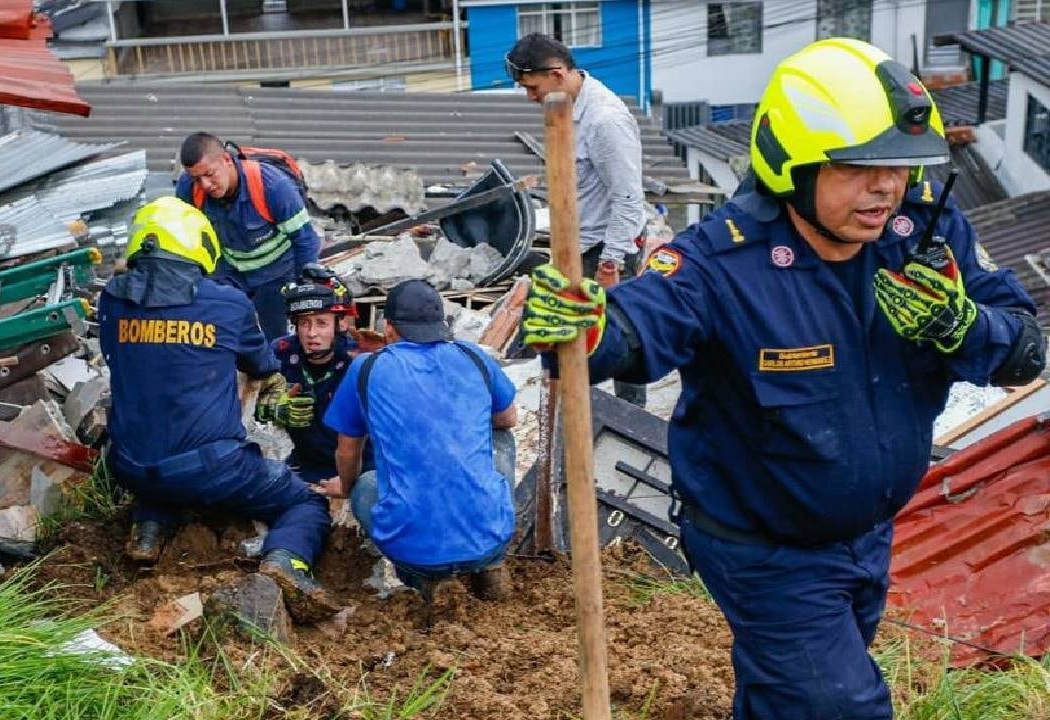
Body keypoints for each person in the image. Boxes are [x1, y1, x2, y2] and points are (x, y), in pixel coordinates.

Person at [520, 39, 1044, 719]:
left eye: (898, 167)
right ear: (793, 168)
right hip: (763, 547)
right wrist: (588, 329)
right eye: (858, 168)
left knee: (788, 698)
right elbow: (640, 328)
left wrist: (962, 326)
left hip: (869, 534)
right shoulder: (724, 261)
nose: (884, 188)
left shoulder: (923, 234)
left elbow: (1024, 350)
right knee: (841, 707)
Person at [98, 196, 338, 622]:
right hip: (212, 470)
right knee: (304, 504)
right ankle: (287, 561)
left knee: (160, 453)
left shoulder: (112, 303)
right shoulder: (227, 304)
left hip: (129, 465)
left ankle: (150, 527)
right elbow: (263, 365)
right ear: (198, 245)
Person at [315, 279, 520, 601]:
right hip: (490, 537)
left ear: (390, 328)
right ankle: (491, 563)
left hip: (414, 551)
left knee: (365, 485)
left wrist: (345, 484)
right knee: (501, 439)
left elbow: (347, 450)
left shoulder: (366, 368)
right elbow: (508, 419)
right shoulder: (473, 357)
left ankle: (426, 584)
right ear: (442, 324)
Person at [506, 32, 649, 406]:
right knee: (572, 338)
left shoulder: (604, 121)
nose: (530, 97)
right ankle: (576, 416)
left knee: (621, 341)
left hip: (605, 249)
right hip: (579, 245)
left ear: (556, 74)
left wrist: (612, 261)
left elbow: (629, 198)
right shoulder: (566, 106)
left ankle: (629, 427)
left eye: (532, 87)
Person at [175, 132, 320, 340]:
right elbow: (185, 238)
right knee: (220, 335)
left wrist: (304, 289)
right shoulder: (189, 189)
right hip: (228, 273)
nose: (205, 185)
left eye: (209, 174)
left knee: (275, 340)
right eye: (197, 178)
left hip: (276, 276)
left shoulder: (273, 187)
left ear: (226, 160)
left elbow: (305, 241)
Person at [263, 264, 376, 483]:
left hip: (362, 471)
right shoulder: (281, 352)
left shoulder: (361, 362)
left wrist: (349, 480)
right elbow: (247, 400)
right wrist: (273, 408)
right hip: (303, 469)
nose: (312, 333)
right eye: (304, 323)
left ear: (340, 323)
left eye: (322, 323)